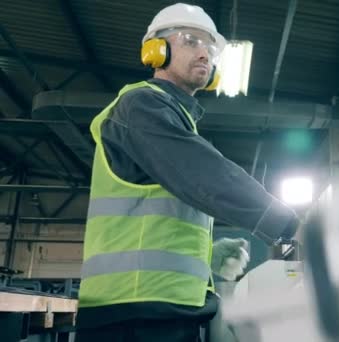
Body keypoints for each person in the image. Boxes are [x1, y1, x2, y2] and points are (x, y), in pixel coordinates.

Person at [74, 3, 300, 341]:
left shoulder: (175, 120)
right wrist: (288, 225)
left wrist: (209, 256)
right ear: (156, 50)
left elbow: (154, 227)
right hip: (132, 315)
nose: (205, 54)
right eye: (190, 41)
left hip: (161, 310)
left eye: (210, 48)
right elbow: (205, 174)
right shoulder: (140, 106)